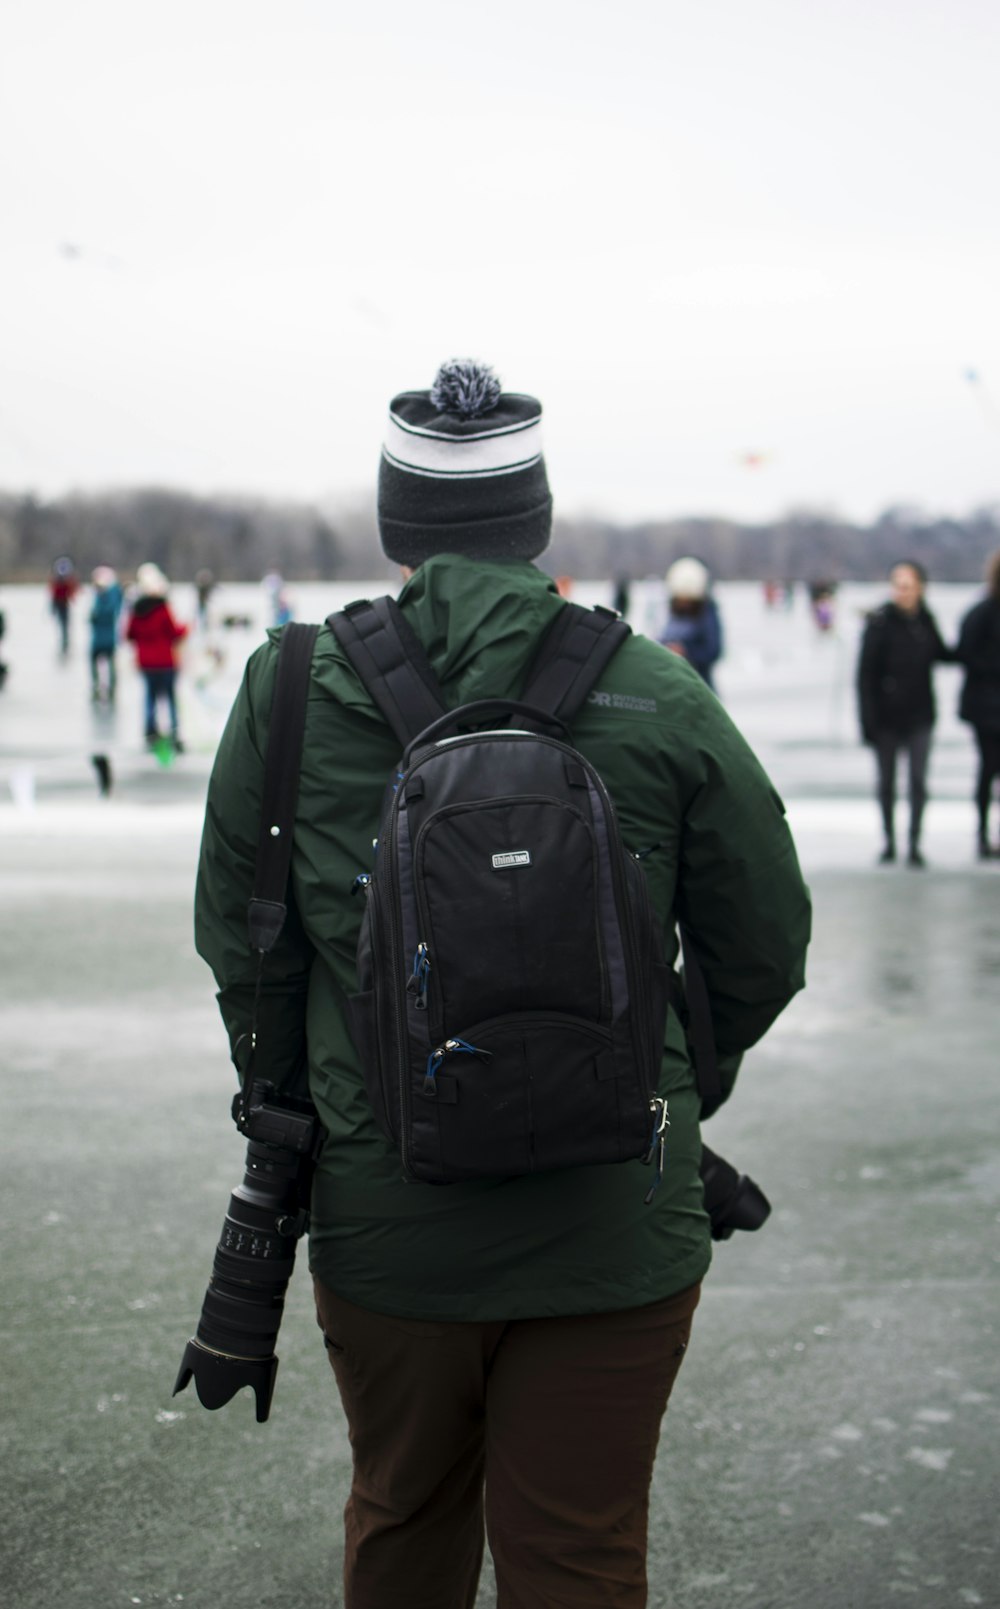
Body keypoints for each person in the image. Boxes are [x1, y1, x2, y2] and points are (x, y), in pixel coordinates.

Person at [194, 361, 811, 1609]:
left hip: (386, 1224)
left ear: (394, 521)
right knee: (580, 1557)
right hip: (617, 1221)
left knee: (404, 1525)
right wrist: (667, 1076)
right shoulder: (654, 685)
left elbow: (245, 948)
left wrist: (305, 1105)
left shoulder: (290, 686)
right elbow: (765, 944)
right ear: (532, 517)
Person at [856, 559, 953, 868]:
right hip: (885, 717)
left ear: (920, 588)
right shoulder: (880, 622)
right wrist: (867, 721)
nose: (902, 591)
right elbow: (864, 676)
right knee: (887, 783)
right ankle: (889, 842)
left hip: (920, 715)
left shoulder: (925, 621)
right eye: (897, 585)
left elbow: (944, 654)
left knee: (918, 781)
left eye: (908, 586)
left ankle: (914, 843)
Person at [955, 549, 1000, 859]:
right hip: (986, 709)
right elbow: (966, 655)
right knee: (989, 769)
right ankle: (983, 834)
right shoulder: (982, 613)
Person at [125, 562, 188, 749]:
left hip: (146, 663)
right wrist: (186, 628)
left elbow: (129, 634)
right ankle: (174, 731)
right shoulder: (163, 609)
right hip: (166, 662)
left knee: (150, 697)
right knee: (169, 697)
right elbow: (174, 633)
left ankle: (150, 731)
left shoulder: (136, 611)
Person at [659, 556, 723, 688]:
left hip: (699, 685)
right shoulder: (672, 613)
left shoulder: (707, 614)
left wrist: (686, 651)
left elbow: (713, 650)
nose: (684, 604)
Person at [88, 566, 124, 702]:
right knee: (110, 664)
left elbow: (96, 616)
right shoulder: (113, 598)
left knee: (97, 663)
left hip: (100, 639)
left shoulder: (101, 600)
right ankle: (111, 687)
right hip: (109, 638)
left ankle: (99, 686)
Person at [48, 556, 79, 655]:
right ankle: (64, 640)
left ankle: (65, 640)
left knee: (64, 622)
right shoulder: (59, 581)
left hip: (63, 603)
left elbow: (54, 592)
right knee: (63, 622)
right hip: (61, 603)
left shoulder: (60, 580)